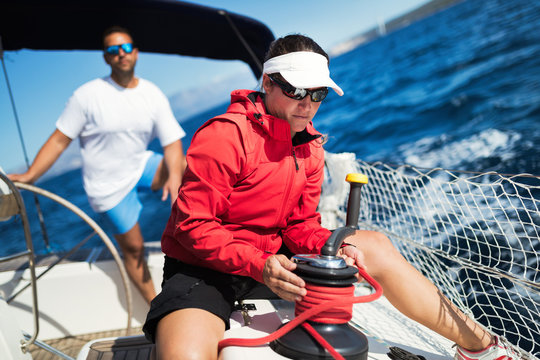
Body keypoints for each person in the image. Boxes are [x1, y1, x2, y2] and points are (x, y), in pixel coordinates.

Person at [142, 34, 520, 360]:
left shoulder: (310, 147)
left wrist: (330, 244)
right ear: (267, 82)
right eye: (294, 90)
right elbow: (193, 226)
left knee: (371, 244)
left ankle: (482, 347)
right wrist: (260, 265)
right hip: (205, 270)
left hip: (279, 265)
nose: (306, 103)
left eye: (318, 93)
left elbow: (300, 224)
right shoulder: (225, 136)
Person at [8, 26, 187, 304]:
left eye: (125, 48)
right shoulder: (86, 96)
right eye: (112, 50)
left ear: (136, 53)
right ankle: (156, 306)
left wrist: (174, 177)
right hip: (107, 186)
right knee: (135, 249)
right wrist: (30, 176)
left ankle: (204, 237)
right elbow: (58, 141)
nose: (120, 54)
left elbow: (172, 142)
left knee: (189, 167)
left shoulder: (151, 93)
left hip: (140, 166)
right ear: (106, 58)